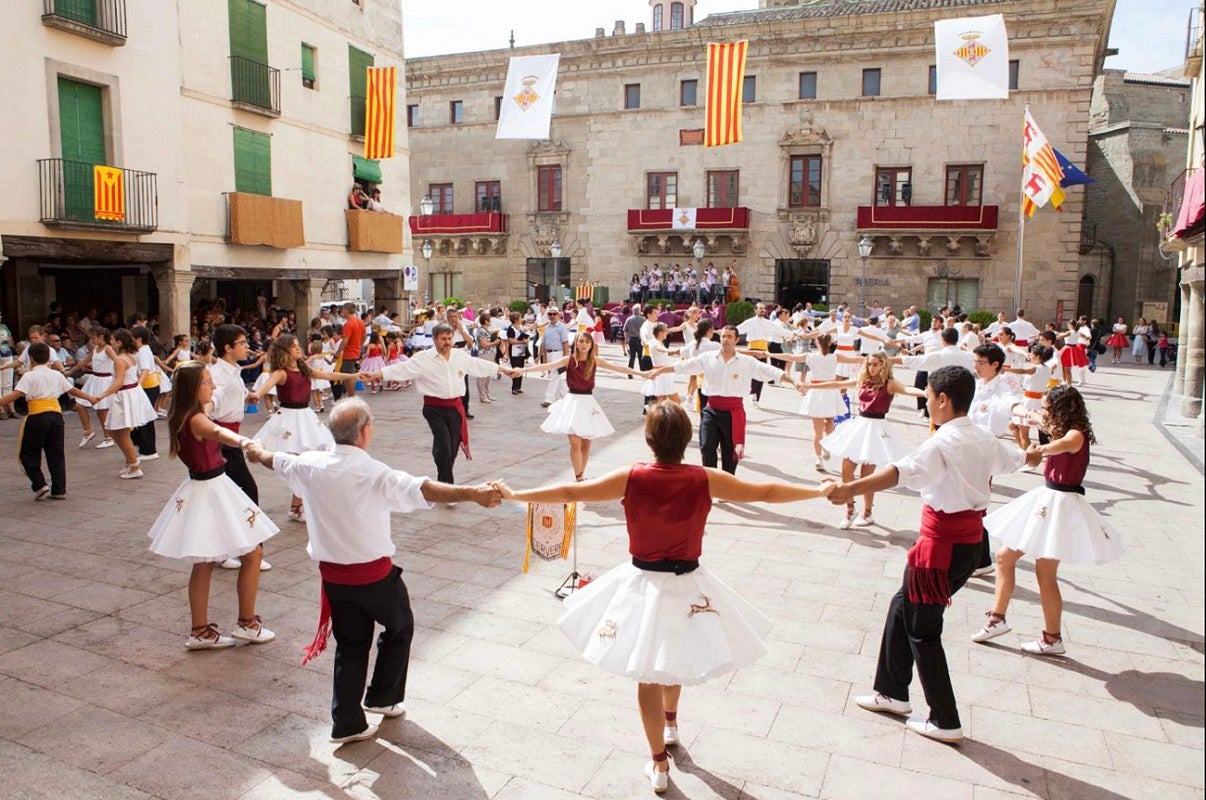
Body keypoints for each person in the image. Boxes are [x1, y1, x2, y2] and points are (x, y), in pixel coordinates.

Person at [492, 401, 834, 793]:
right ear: (687, 439)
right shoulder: (704, 478)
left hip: (642, 584)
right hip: (689, 583)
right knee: (675, 659)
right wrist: (818, 491)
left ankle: (659, 763)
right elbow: (768, 491)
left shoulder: (632, 476)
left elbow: (572, 489)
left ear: (649, 439)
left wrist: (515, 493)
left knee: (648, 672)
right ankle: (671, 723)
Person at [243, 398, 502, 743]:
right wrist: (472, 493)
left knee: (351, 645)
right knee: (400, 626)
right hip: (375, 577)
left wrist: (255, 448)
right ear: (365, 431)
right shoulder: (372, 472)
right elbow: (422, 488)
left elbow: (273, 459)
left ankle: (347, 722)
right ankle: (383, 696)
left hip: (335, 578)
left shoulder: (310, 465)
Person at [832, 366, 1041, 743]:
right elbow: (1015, 460)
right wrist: (1033, 454)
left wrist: (851, 488)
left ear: (943, 400)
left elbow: (900, 471)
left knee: (923, 630)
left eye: (928, 399)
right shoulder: (982, 437)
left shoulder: (942, 443)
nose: (927, 405)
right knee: (902, 608)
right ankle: (891, 692)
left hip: (940, 549)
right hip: (968, 545)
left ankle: (945, 719)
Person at [975, 385, 1120, 655]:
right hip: (1048, 499)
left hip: (1060, 504)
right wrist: (1011, 409)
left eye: (1048, 407)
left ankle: (1049, 637)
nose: (1044, 412)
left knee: (1042, 571)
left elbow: (1053, 448)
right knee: (1007, 558)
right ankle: (1000, 620)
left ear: (1062, 409)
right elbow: (1028, 416)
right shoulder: (1058, 425)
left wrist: (1033, 447)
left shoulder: (1075, 435)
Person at [147, 361, 278, 649]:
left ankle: (201, 630)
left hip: (203, 486)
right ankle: (246, 623)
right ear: (194, 388)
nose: (213, 385)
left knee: (205, 562)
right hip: (212, 489)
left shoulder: (184, 414)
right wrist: (247, 443)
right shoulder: (195, 419)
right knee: (252, 554)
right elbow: (221, 433)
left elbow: (213, 419)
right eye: (207, 381)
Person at [364, 323, 512, 486]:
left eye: (449, 338)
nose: (447, 342)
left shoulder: (459, 356)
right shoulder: (423, 358)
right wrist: (375, 374)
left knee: (452, 448)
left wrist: (504, 370)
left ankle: (440, 461)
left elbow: (479, 365)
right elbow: (401, 369)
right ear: (434, 339)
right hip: (433, 409)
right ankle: (447, 487)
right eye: (443, 339)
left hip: (455, 408)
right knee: (444, 444)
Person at [655, 325, 802, 474]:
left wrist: (794, 381)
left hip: (734, 413)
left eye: (729, 337)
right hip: (710, 410)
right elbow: (684, 366)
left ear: (737, 339)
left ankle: (727, 483)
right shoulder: (708, 357)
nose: (725, 340)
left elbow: (771, 371)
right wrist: (660, 370)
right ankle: (712, 482)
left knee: (730, 453)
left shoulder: (746, 361)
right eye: (723, 336)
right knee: (706, 446)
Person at [809, 352, 924, 529]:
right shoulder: (863, 379)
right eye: (870, 364)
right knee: (846, 469)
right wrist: (811, 385)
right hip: (859, 426)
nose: (872, 368)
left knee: (866, 476)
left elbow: (908, 390)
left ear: (883, 365)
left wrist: (926, 393)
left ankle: (868, 512)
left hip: (876, 428)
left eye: (876, 364)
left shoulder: (889, 384)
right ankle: (850, 509)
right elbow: (837, 383)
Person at [511, 331, 646, 480]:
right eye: (581, 341)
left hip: (588, 403)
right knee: (575, 442)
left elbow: (618, 368)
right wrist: (523, 370)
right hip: (572, 402)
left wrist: (642, 374)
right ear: (576, 343)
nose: (584, 344)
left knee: (586, 444)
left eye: (587, 342)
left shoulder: (595, 360)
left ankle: (581, 473)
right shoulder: (568, 360)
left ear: (591, 345)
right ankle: (578, 475)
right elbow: (546, 366)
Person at [248, 334, 345, 521]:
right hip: (289, 419)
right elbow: (266, 386)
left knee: (305, 463)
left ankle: (297, 505)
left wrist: (354, 375)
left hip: (305, 416)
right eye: (294, 347)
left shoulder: (304, 369)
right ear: (285, 352)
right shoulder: (281, 372)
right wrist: (256, 394)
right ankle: (297, 505)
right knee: (299, 464)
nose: (298, 348)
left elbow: (328, 374)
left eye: (298, 345)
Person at [0, 342, 97, 500]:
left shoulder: (29, 375)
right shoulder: (56, 374)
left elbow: (16, 394)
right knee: (56, 452)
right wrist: (91, 398)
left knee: (28, 452)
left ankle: (39, 484)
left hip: (37, 416)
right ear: (49, 358)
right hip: (56, 416)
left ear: (31, 359)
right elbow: (72, 390)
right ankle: (59, 489)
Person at [92, 329, 159, 479]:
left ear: (119, 342)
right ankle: (130, 461)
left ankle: (134, 466)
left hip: (124, 395)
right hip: (129, 394)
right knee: (115, 430)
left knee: (121, 432)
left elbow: (119, 382)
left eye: (113, 340)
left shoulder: (120, 359)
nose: (111, 342)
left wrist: (101, 395)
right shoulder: (130, 356)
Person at [71, 327, 117, 449]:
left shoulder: (108, 349)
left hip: (105, 380)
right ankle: (88, 431)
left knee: (101, 410)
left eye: (93, 337)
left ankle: (108, 438)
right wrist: (70, 371)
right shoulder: (95, 349)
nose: (91, 340)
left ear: (101, 337)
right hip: (94, 379)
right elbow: (84, 362)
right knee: (79, 404)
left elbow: (117, 361)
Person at [539, 307, 572, 408]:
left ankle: (549, 399)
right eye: (550, 314)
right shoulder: (547, 326)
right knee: (558, 377)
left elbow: (565, 342)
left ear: (558, 315)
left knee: (553, 376)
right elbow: (543, 342)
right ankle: (568, 396)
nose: (552, 316)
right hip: (549, 354)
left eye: (554, 314)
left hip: (558, 353)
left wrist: (566, 357)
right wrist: (541, 355)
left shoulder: (561, 327)